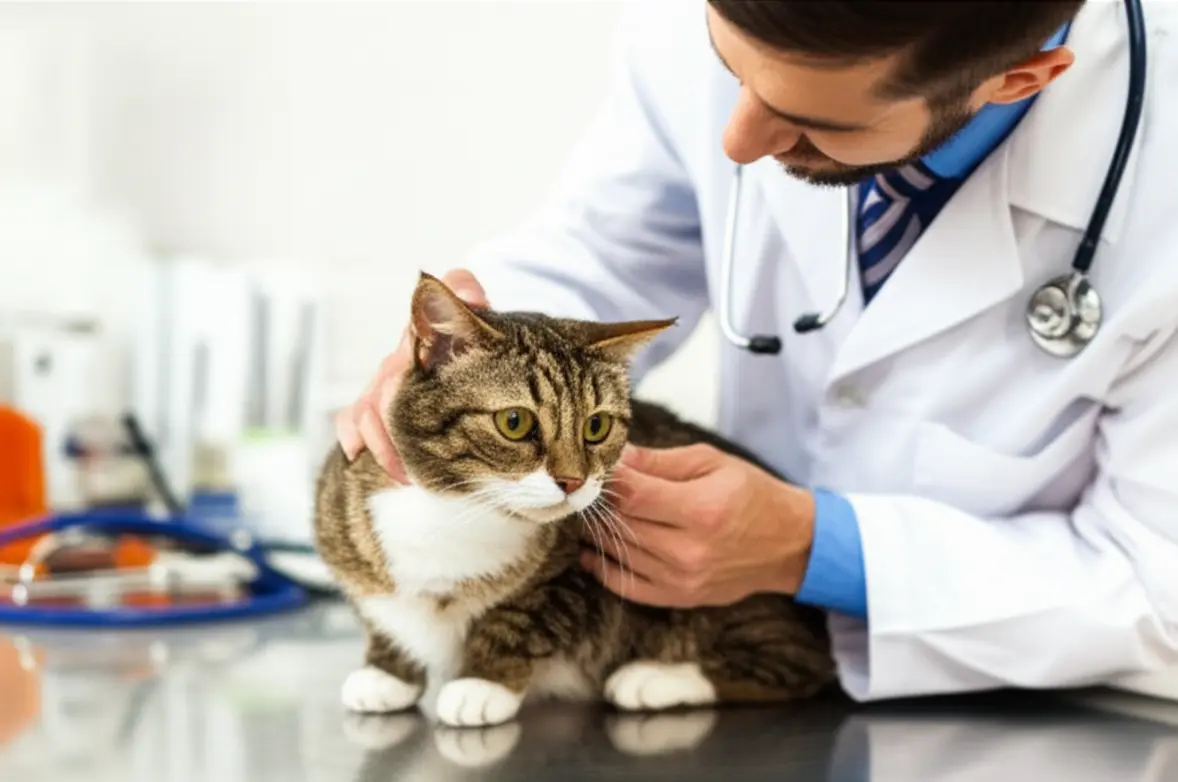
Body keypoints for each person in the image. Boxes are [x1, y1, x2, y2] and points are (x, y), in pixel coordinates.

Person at [337, 0, 1178, 701]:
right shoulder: (705, 21)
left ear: (1017, 81)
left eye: (812, 123)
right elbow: (600, 256)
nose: (736, 141)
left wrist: (815, 550)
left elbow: (1160, 594)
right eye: (729, 70)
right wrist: (465, 355)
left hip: (1039, 719)